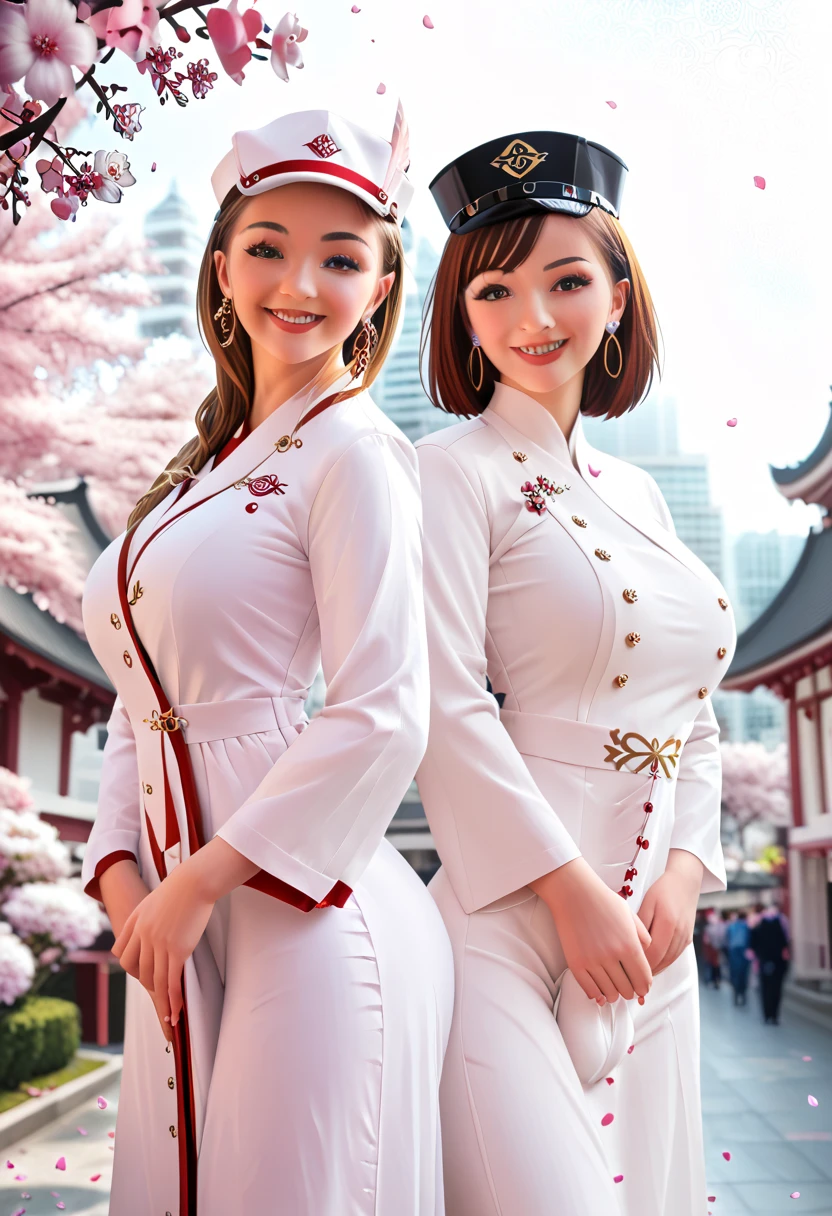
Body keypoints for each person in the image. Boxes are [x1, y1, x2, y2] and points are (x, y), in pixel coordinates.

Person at [79, 105, 454, 1215]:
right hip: (172, 918)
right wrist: (120, 876)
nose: (300, 282)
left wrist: (196, 880)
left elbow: (384, 708)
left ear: (379, 288)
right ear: (223, 267)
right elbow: (140, 700)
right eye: (267, 247)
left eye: (340, 258)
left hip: (304, 913)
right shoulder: (193, 473)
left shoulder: (360, 453)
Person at [414, 128, 737, 1216]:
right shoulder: (447, 473)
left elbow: (691, 719)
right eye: (494, 291)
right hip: (510, 919)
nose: (532, 320)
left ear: (616, 295)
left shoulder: (642, 497)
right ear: (461, 314)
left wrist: (685, 877)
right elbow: (445, 703)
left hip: (653, 943)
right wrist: (568, 893)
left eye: (565, 280)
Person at [750, 904, 790, 1024]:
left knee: (767, 989)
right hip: (775, 962)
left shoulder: (760, 925)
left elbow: (753, 944)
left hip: (767, 962)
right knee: (775, 989)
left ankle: (768, 1014)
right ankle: (773, 1015)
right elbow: (785, 943)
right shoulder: (779, 924)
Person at [725, 910, 751, 1004]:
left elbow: (727, 939)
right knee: (743, 975)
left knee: (735, 974)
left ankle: (736, 994)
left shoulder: (731, 926)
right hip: (743, 953)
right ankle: (742, 994)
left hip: (734, 953)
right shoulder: (746, 926)